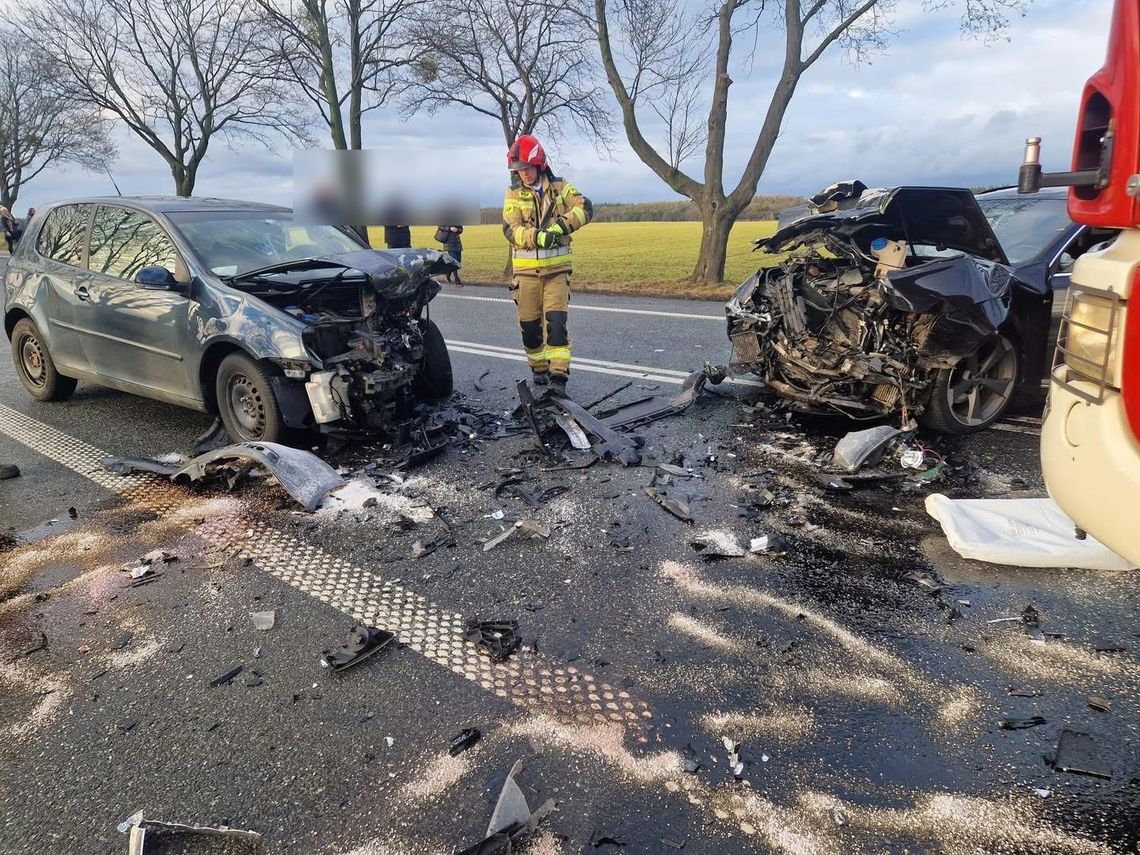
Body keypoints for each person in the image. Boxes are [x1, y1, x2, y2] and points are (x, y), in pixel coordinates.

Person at [501, 134, 592, 393]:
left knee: (556, 325)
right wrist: (536, 236)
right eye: (519, 170)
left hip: (557, 272)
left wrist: (561, 226)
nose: (524, 174)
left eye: (527, 168)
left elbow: (585, 207)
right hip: (526, 274)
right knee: (530, 329)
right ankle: (538, 368)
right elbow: (510, 228)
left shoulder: (560, 187)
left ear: (539, 163)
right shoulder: (513, 193)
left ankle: (559, 376)